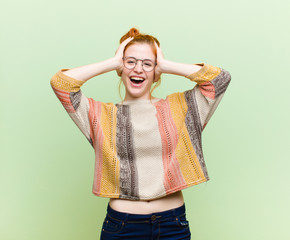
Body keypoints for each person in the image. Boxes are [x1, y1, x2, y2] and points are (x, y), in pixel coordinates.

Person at [50, 27, 231, 240]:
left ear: (156, 73)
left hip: (173, 225)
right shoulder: (101, 115)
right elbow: (61, 84)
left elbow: (219, 80)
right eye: (130, 62)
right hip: (122, 227)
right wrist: (113, 62)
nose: (138, 69)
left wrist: (165, 65)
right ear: (121, 69)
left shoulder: (180, 108)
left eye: (147, 64)